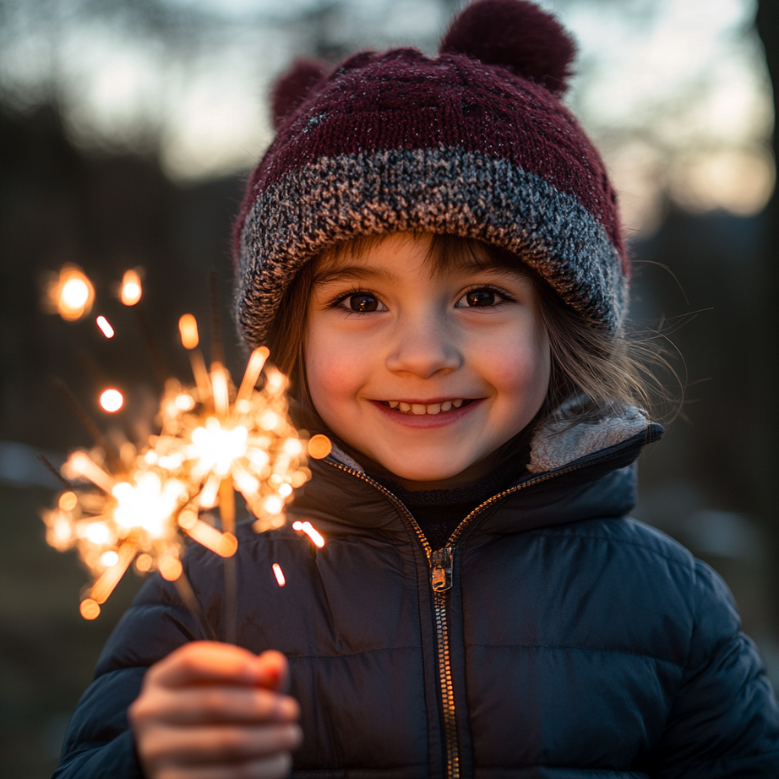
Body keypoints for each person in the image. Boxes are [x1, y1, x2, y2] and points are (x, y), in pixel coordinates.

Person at [53, 1, 779, 777]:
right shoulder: (208, 591)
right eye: (360, 302)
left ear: (559, 327)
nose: (424, 354)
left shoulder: (669, 604)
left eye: (481, 297)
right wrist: (152, 761)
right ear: (289, 345)